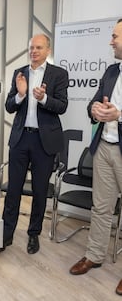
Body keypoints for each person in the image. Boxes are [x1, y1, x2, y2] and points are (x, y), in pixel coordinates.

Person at [0, 34, 69, 254]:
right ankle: (6, 235)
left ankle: (33, 235)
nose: (34, 51)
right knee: (14, 190)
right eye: (31, 47)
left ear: (48, 50)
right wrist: (20, 95)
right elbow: (9, 106)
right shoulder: (20, 73)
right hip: (20, 139)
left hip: (43, 141)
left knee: (39, 191)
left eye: (38, 47)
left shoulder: (59, 74)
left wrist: (44, 99)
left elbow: (62, 106)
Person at [69, 18, 122, 296]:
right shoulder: (112, 71)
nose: (111, 41)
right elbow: (94, 100)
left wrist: (119, 115)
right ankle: (94, 255)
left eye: (115, 36)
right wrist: (94, 111)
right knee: (101, 207)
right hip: (103, 147)